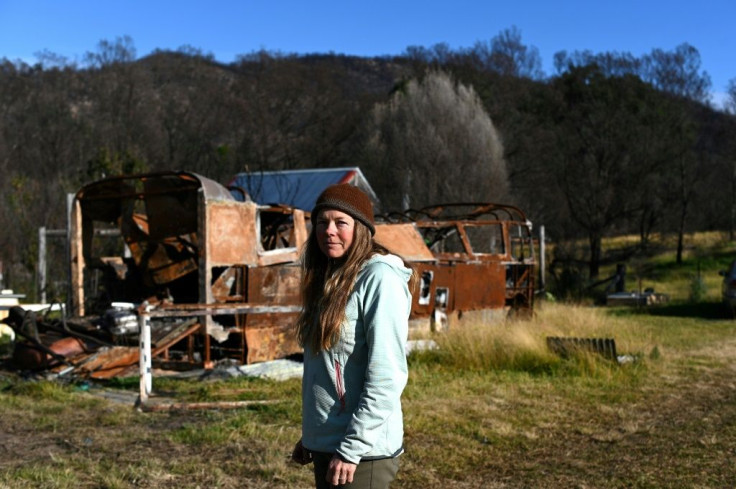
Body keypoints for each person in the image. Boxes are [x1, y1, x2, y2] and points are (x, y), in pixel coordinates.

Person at [291, 183, 416, 489]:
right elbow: (327, 370)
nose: (329, 231)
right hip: (331, 445)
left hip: (362, 453)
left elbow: (387, 376)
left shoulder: (379, 278)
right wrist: (314, 435)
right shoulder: (330, 279)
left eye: (340, 222)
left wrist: (351, 448)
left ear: (360, 229)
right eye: (321, 222)